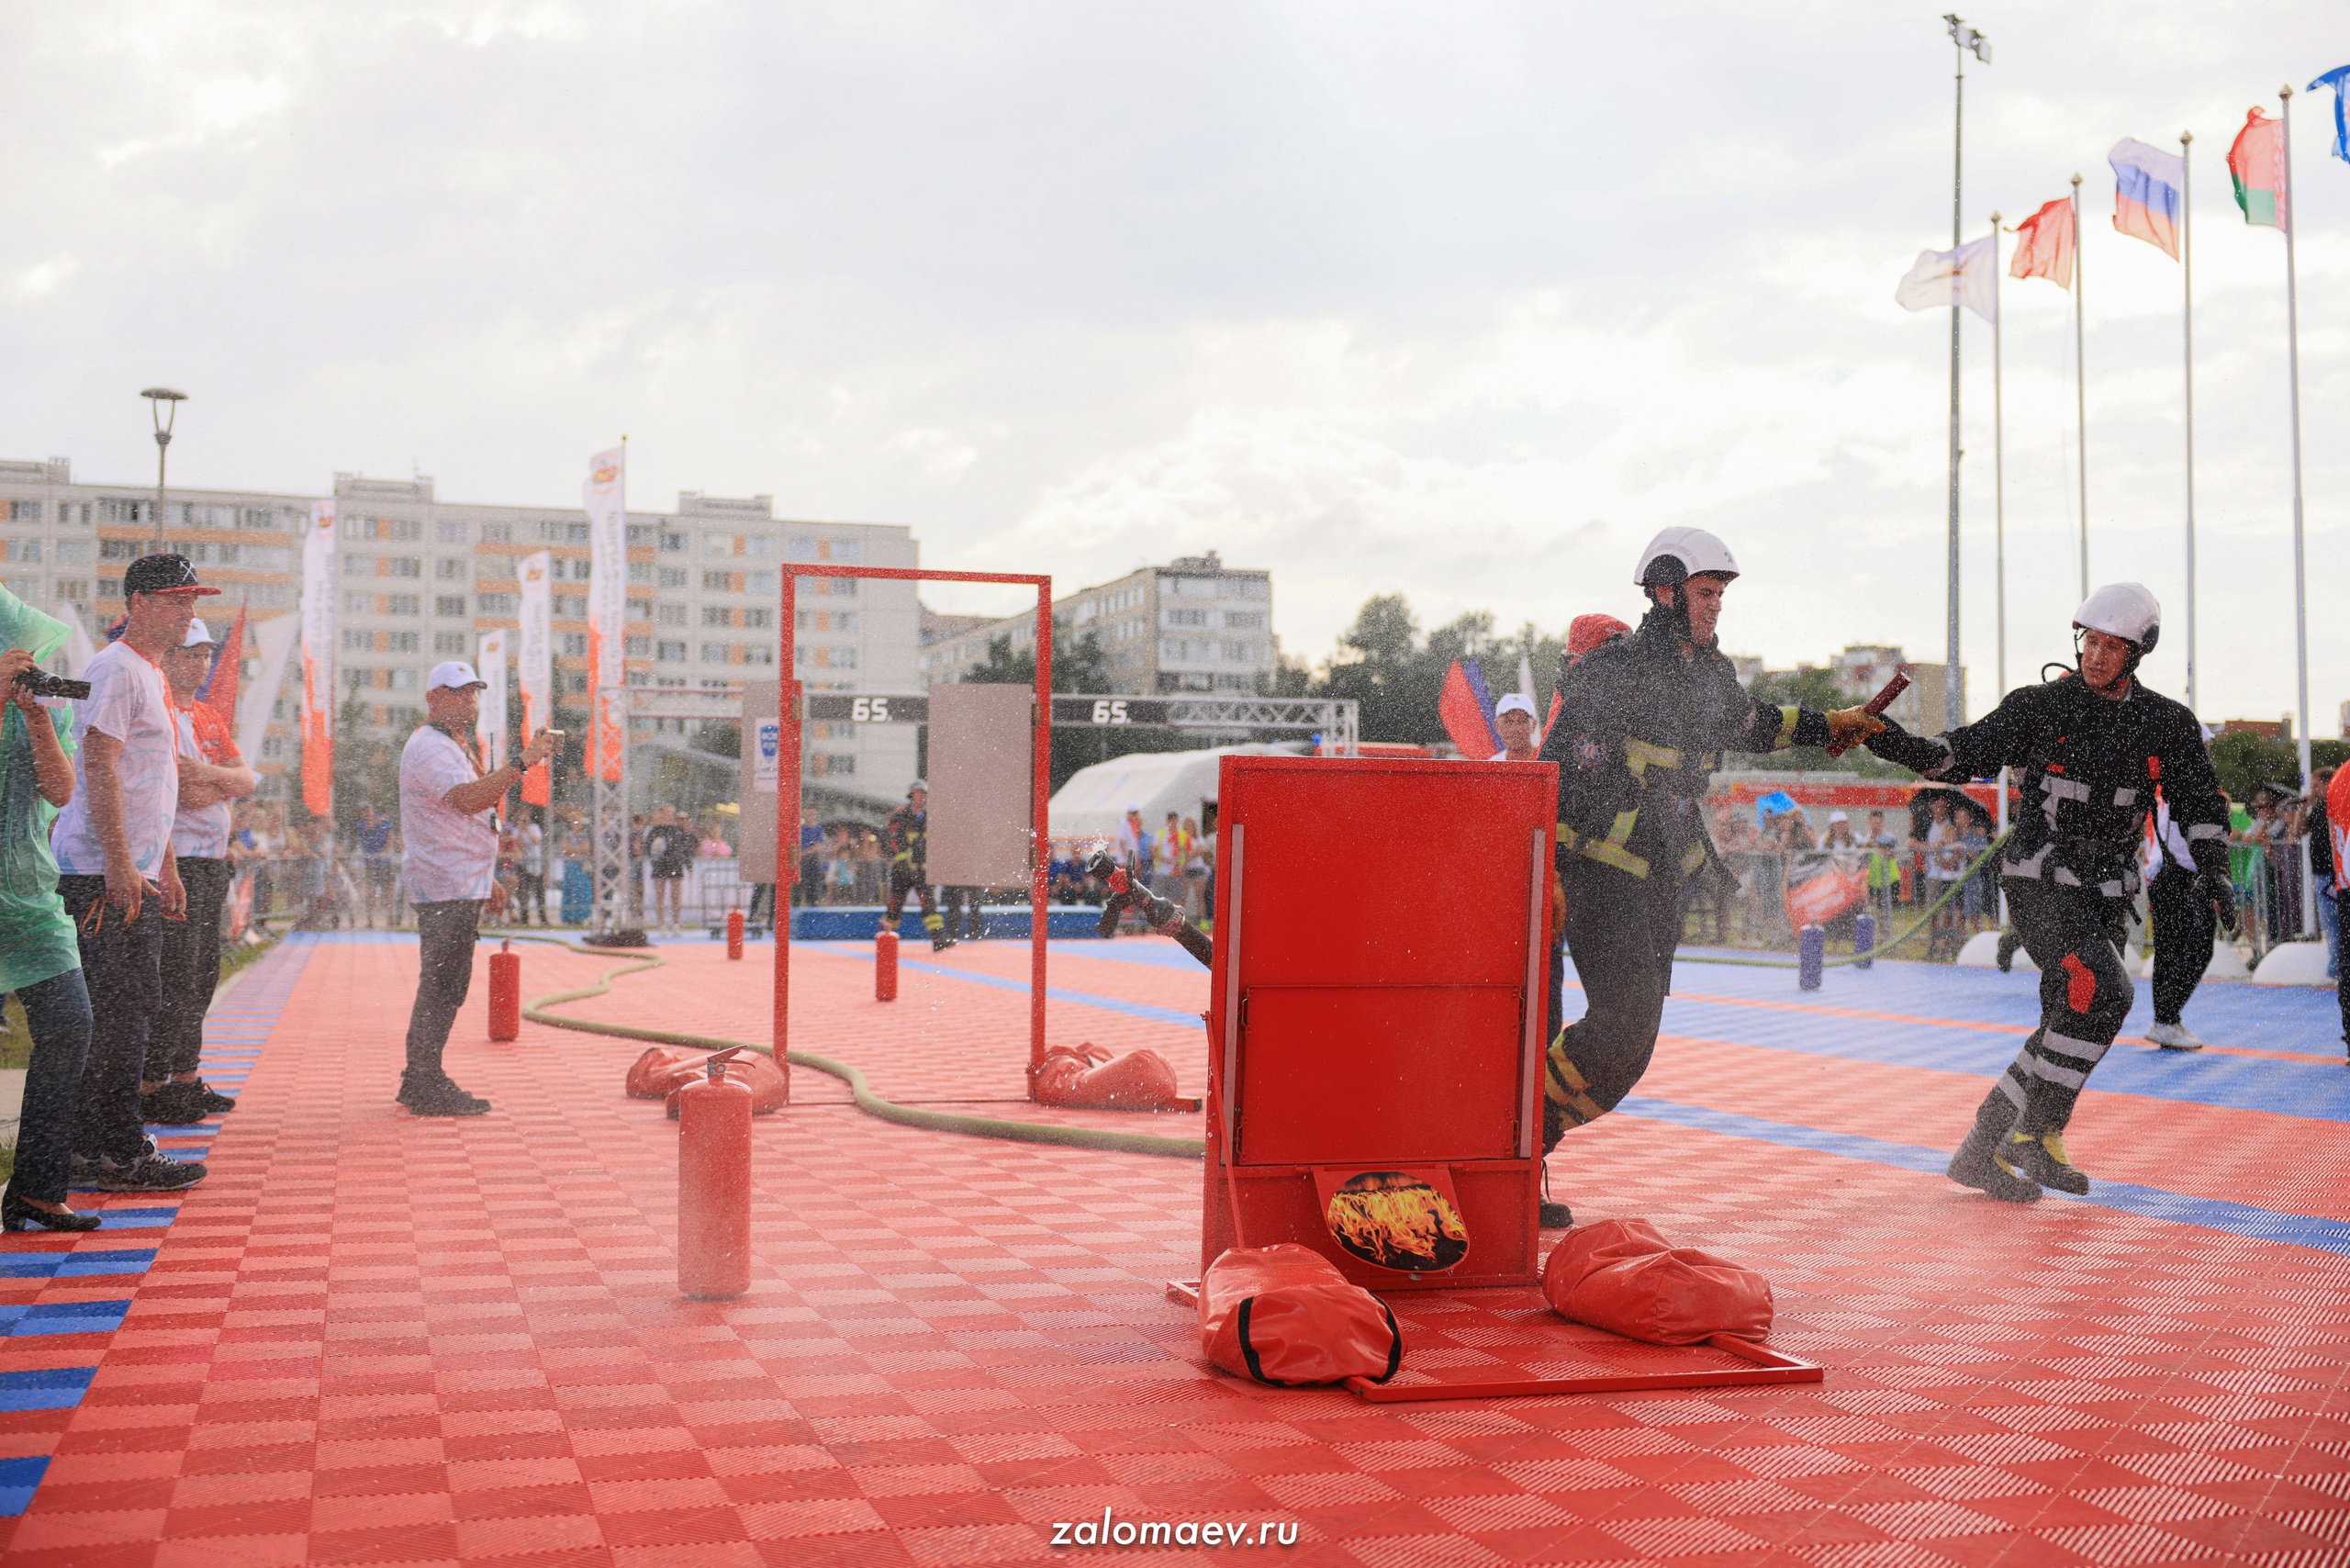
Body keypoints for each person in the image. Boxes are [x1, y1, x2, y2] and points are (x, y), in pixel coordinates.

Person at [1534, 528, 1882, 1222]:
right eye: (1705, 593)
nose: (1716, 607)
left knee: (1632, 1049)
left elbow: (1752, 722)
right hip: (1604, 877)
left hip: (1663, 881)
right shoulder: (1612, 671)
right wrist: (1547, 871)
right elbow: (1558, 770)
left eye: (1720, 595)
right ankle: (1504, 1139)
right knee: (1623, 1024)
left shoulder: (1708, 674)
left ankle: (1520, 1143)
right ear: (1664, 593)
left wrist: (1829, 723)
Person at [1862, 583, 2231, 1202]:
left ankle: (1980, 1152)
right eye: (2090, 641)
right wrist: (1883, 736)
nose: (2097, 656)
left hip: (2108, 893)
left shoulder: (2168, 722)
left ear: (2139, 653)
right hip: (2039, 881)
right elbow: (1953, 757)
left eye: (2114, 647)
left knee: (2068, 1023)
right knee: (2104, 992)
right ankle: (2037, 1133)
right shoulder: (2039, 706)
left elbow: (2197, 803)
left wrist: (2215, 872)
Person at [50, 554, 216, 1193]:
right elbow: (100, 766)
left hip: (132, 871)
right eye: (178, 601)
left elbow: (155, 782)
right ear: (140, 604)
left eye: (193, 601)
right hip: (100, 874)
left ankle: (96, 1146)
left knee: (130, 1011)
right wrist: (120, 861)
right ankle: (116, 1152)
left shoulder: (149, 673)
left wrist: (163, 862)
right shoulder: (116, 669)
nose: (190, 614)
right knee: (121, 1016)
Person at [397, 660, 557, 1114]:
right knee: (443, 984)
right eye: (458, 691)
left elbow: (468, 812)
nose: (469, 700)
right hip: (443, 882)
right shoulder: (430, 746)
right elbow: (470, 801)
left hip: (455, 879)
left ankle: (422, 1077)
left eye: (474, 692)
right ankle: (423, 1079)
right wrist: (523, 761)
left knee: (447, 983)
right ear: (433, 697)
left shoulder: (451, 743)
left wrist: (483, 878)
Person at [0, 595, 101, 1231]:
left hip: (29, 899)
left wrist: (37, 720)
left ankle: (36, 1186)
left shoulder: (38, 712)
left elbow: (61, 791)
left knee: (70, 1023)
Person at [145, 618, 258, 1126]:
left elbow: (247, 780)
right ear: (167, 657)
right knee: (174, 975)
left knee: (202, 974)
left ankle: (186, 1076)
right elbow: (181, 792)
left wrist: (214, 777)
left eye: (206, 654)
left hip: (212, 861)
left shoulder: (207, 715)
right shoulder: (159, 712)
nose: (201, 663)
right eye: (190, 654)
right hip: (176, 861)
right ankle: (155, 1083)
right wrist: (223, 782)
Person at [885, 779, 951, 950]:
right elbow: (894, 839)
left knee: (929, 904)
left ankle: (938, 939)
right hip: (902, 871)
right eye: (918, 793)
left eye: (924, 794)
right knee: (895, 905)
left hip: (922, 871)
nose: (921, 797)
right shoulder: (900, 815)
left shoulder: (931, 817)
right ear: (911, 795)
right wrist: (902, 862)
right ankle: (885, 938)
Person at [641, 804, 694, 931]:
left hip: (675, 865)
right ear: (660, 814)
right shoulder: (654, 831)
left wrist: (689, 867)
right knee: (660, 895)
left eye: (671, 814)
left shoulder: (677, 830)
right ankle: (662, 924)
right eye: (666, 813)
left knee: (676, 896)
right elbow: (648, 849)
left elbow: (685, 850)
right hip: (660, 866)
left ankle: (676, 924)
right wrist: (655, 862)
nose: (669, 816)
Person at [356, 801, 397, 929]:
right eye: (364, 810)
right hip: (371, 862)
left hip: (386, 862)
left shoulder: (385, 823)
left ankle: (391, 917)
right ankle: (370, 919)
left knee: (388, 890)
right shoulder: (361, 824)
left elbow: (390, 837)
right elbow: (368, 827)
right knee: (371, 892)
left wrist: (385, 851)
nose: (367, 812)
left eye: (369, 809)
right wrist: (380, 819)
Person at [512, 809, 547, 926]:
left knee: (539, 893)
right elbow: (518, 845)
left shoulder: (535, 828)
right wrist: (521, 831)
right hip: (523, 866)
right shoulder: (516, 831)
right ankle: (524, 918)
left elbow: (536, 841)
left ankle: (543, 918)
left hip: (535, 865)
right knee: (523, 893)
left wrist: (527, 830)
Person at [1491, 694, 1541, 762]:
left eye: (1522, 721)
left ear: (1533, 725)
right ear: (1497, 726)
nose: (1515, 729)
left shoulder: (1547, 760)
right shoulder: (1492, 766)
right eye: (1508, 722)